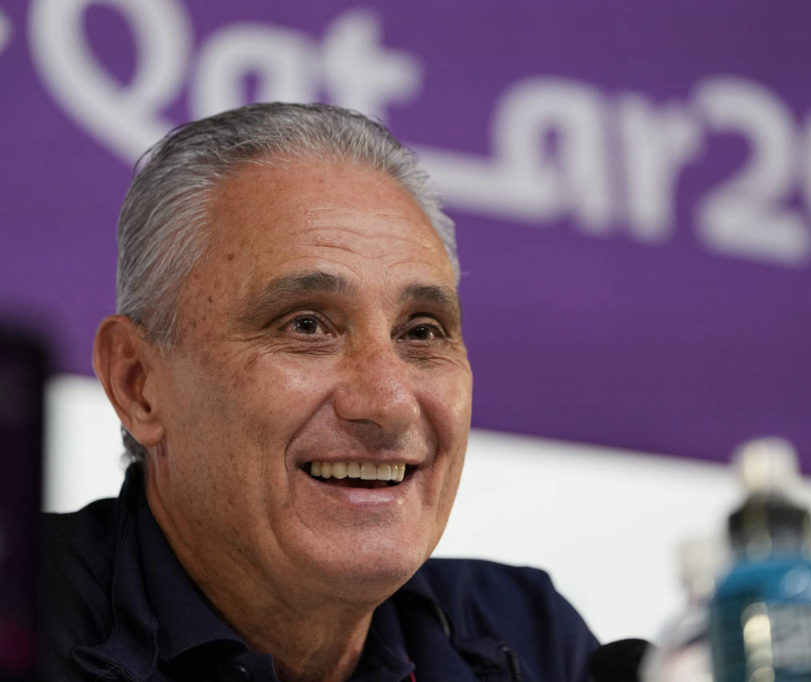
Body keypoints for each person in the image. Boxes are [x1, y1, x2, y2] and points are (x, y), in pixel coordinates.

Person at [42, 102, 599, 681]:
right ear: (138, 384)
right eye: (306, 325)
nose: (390, 404)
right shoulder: (22, 621)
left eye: (421, 332)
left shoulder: (530, 638)